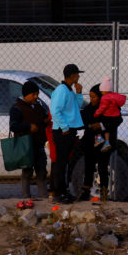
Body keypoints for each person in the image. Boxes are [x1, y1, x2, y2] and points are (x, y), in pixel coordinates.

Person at [50, 63, 86, 204]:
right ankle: (58, 193)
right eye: (77, 74)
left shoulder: (69, 90)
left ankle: (63, 191)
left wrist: (78, 94)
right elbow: (55, 111)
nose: (79, 76)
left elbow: (75, 107)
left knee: (64, 162)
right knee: (60, 163)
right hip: (62, 131)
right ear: (71, 75)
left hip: (69, 130)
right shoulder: (61, 90)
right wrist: (65, 128)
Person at [9, 81, 50, 200]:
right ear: (26, 95)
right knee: (27, 172)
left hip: (38, 145)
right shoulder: (17, 108)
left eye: (37, 94)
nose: (36, 97)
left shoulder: (37, 106)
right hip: (26, 147)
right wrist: (28, 126)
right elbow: (14, 126)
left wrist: (45, 121)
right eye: (33, 94)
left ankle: (44, 198)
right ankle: (26, 198)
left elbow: (42, 119)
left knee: (42, 172)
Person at [79, 85, 109, 203]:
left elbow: (111, 121)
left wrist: (100, 125)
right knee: (89, 165)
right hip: (90, 140)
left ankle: (103, 191)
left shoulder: (105, 108)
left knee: (102, 166)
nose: (92, 99)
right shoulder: (88, 109)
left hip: (101, 139)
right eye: (90, 97)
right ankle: (86, 189)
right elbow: (83, 121)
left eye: (94, 97)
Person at [93, 76, 125, 153]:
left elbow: (102, 108)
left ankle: (99, 140)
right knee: (106, 130)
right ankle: (105, 142)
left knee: (101, 128)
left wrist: (96, 114)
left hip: (107, 117)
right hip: (115, 116)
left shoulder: (105, 98)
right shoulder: (114, 97)